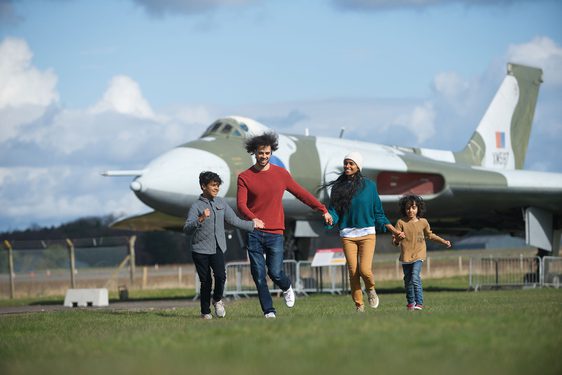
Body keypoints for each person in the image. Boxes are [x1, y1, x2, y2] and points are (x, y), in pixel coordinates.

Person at [237, 132, 333, 318]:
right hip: (254, 232)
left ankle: (287, 287)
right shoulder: (245, 177)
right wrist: (252, 218)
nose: (263, 156)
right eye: (260, 153)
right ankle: (269, 311)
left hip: (275, 232)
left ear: (271, 152)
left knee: (275, 272)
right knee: (258, 274)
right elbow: (241, 205)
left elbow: (301, 193)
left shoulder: (281, 174)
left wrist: (322, 209)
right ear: (254, 153)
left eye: (267, 153)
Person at [325, 152, 405, 312]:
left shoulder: (369, 186)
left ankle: (370, 289)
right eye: (345, 163)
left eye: (351, 163)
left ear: (358, 166)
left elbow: (378, 213)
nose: (347, 166)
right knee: (353, 271)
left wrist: (393, 230)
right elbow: (335, 211)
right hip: (347, 235)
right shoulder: (337, 187)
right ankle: (359, 306)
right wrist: (330, 218)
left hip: (367, 234)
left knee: (365, 270)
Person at [184, 171, 264, 319]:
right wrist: (200, 219)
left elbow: (234, 220)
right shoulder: (196, 206)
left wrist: (252, 225)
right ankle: (205, 312)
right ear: (203, 187)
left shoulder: (221, 203)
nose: (216, 188)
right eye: (213, 185)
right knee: (205, 281)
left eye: (218, 186)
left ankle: (217, 300)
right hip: (200, 249)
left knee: (221, 276)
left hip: (218, 247)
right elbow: (187, 228)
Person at [392, 194, 451, 311]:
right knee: (408, 281)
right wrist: (399, 238)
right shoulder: (400, 223)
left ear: (418, 208)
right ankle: (410, 303)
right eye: (408, 208)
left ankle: (419, 303)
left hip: (419, 255)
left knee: (415, 277)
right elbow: (394, 242)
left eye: (413, 207)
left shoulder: (423, 222)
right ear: (404, 209)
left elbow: (430, 235)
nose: (410, 210)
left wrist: (443, 241)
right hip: (405, 257)